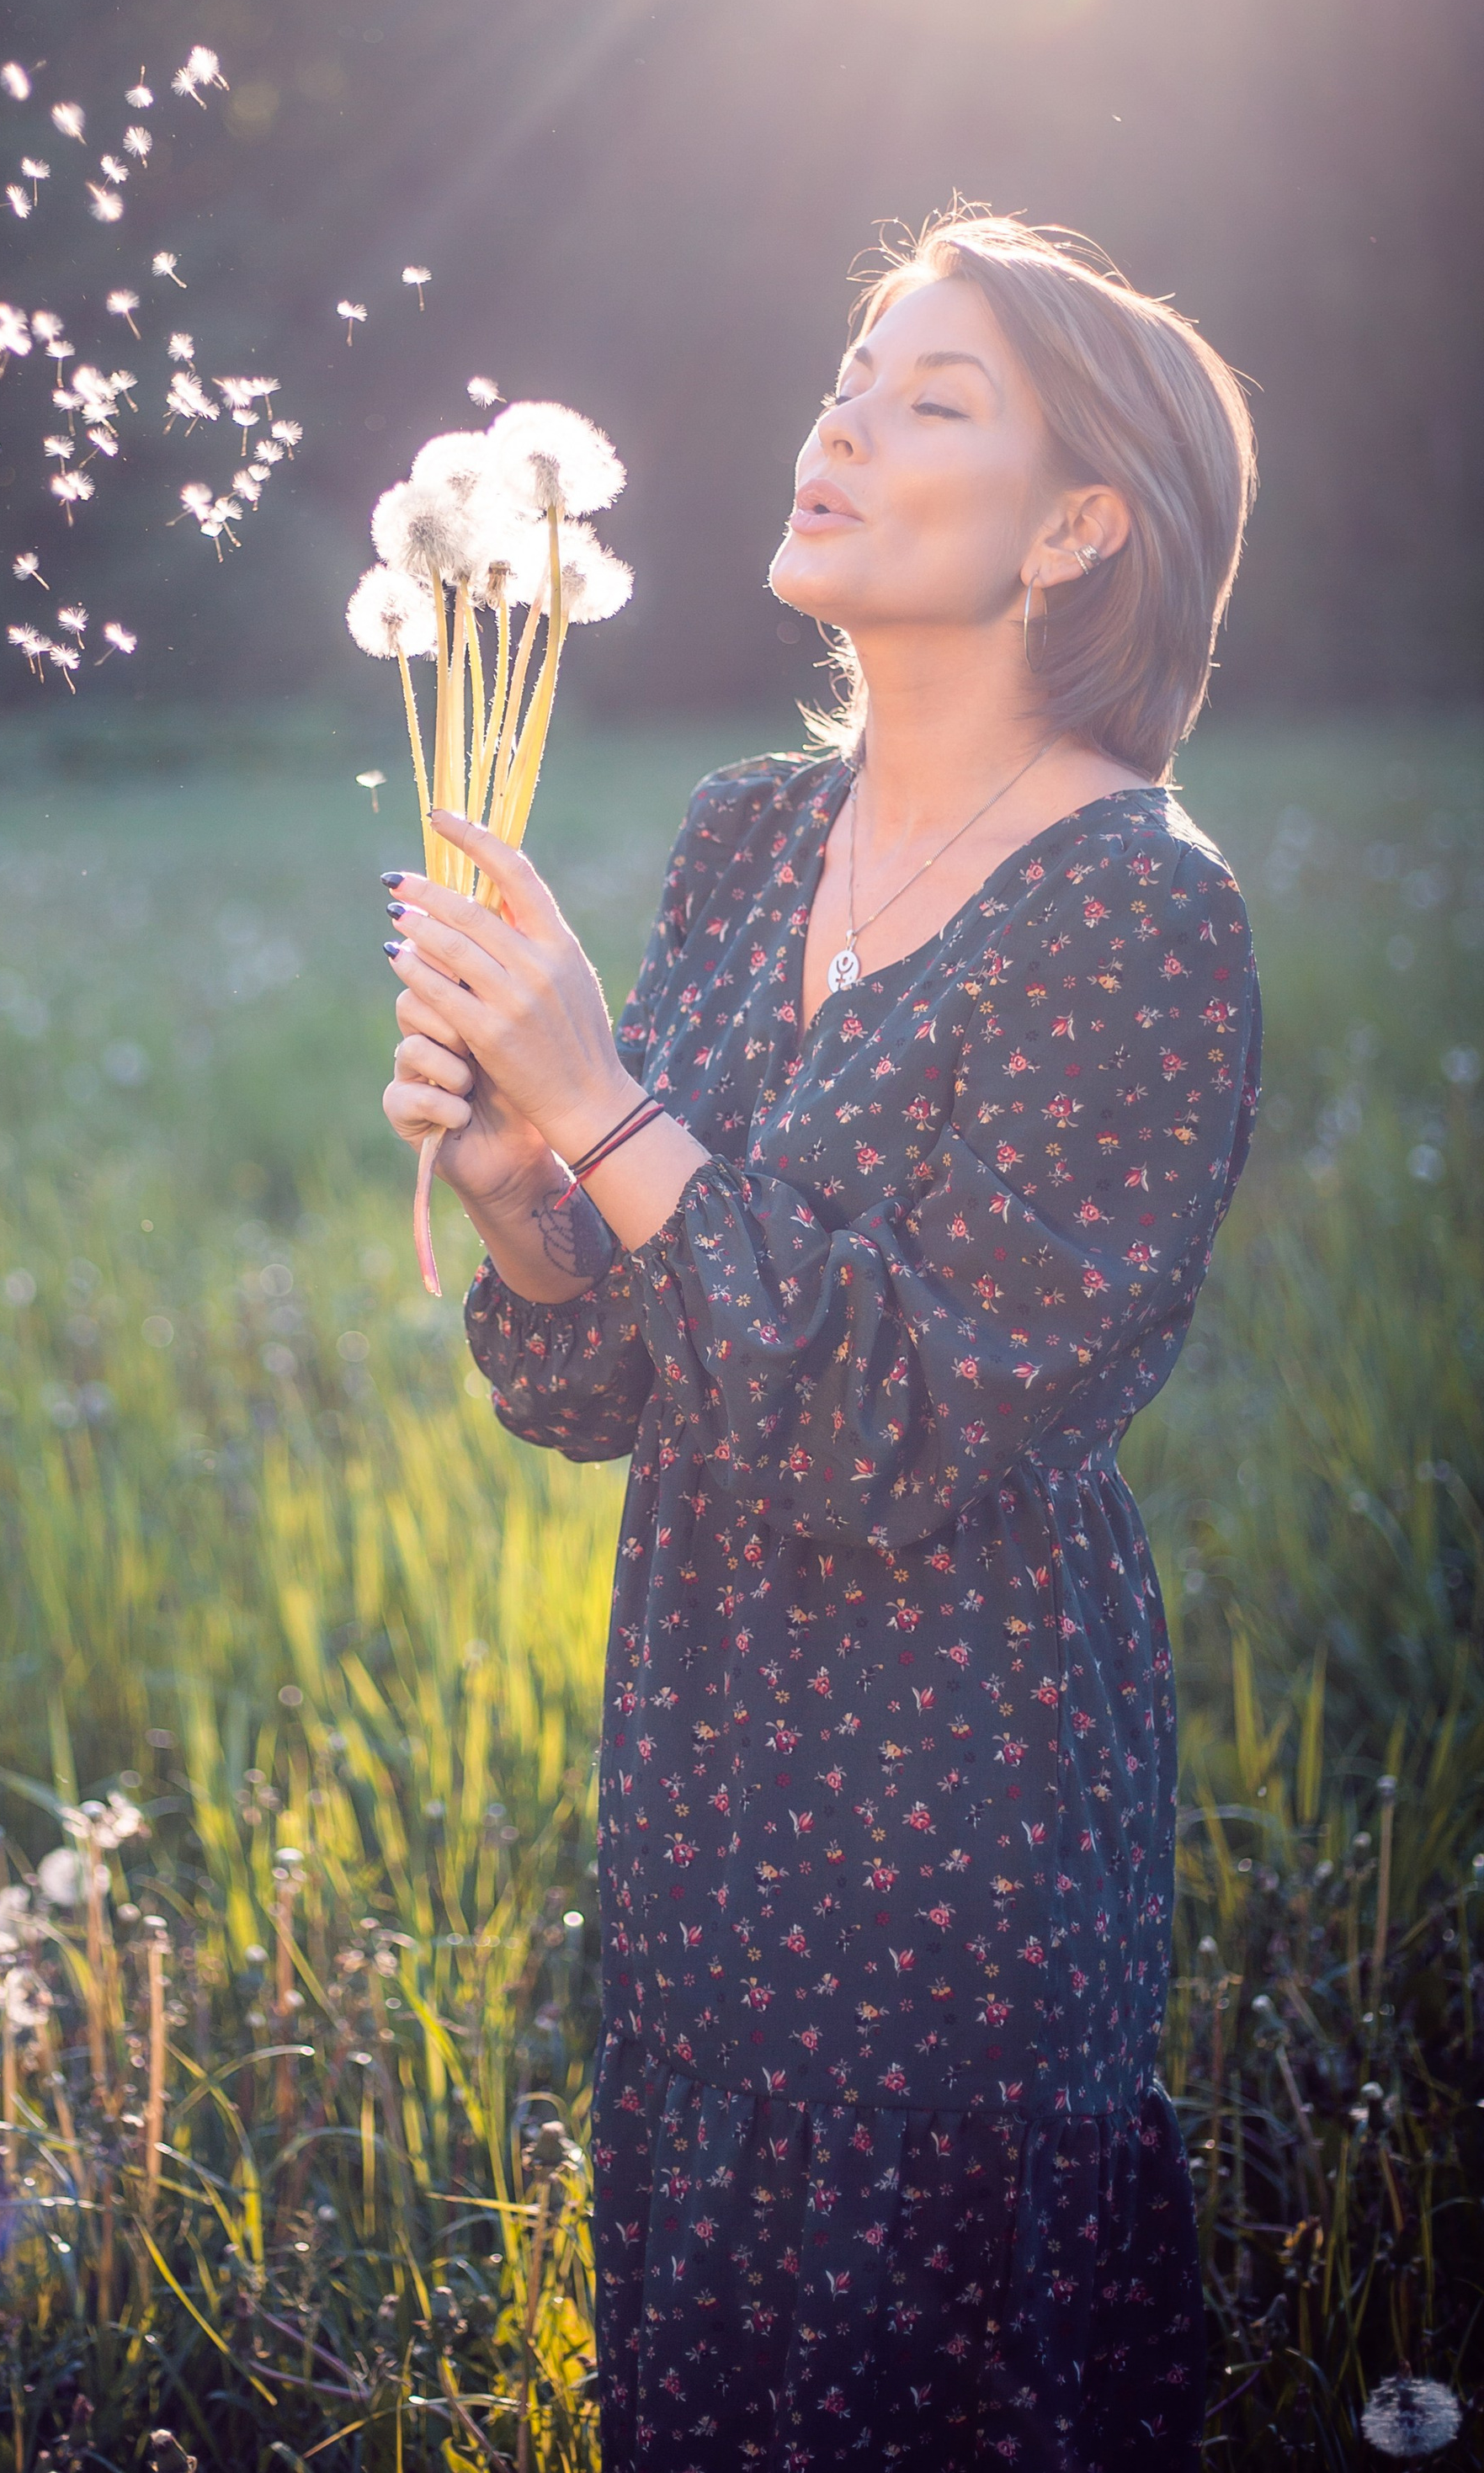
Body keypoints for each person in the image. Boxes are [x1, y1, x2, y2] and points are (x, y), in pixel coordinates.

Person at [380, 208, 1259, 2470]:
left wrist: (604, 1098)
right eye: (854, 371)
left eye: (933, 394)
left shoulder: (1140, 911)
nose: (845, 418)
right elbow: (607, 1379)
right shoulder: (750, 841)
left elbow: (899, 1431)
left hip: (953, 1784)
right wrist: (516, 1187)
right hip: (701, 1756)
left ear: (1079, 527)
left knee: (922, 2361)